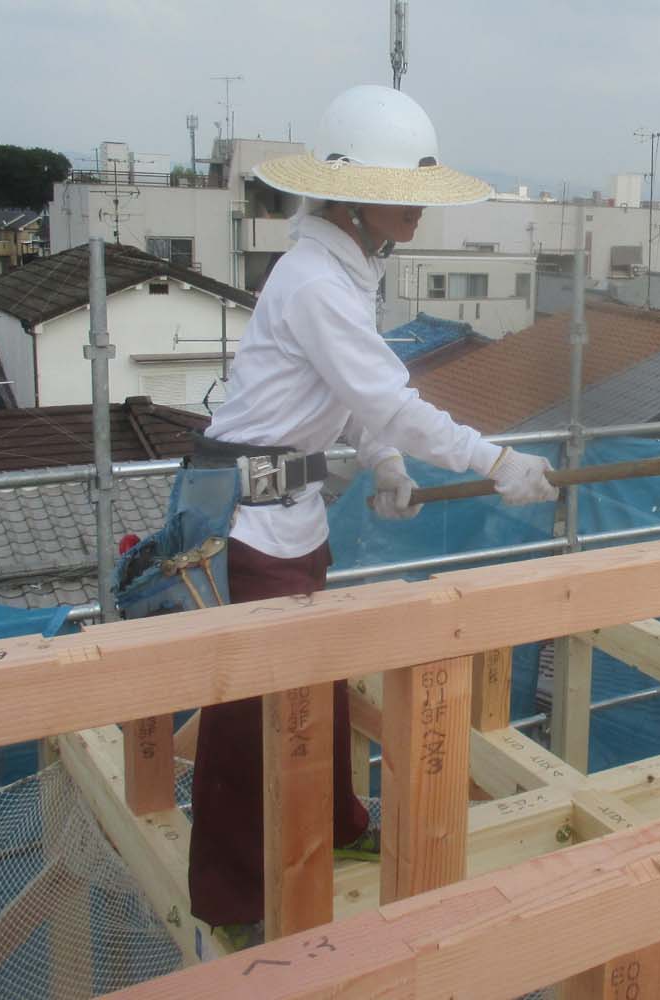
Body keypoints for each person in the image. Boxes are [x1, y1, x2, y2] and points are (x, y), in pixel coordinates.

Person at [187, 84, 558, 943]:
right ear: (351, 197)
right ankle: (237, 900)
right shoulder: (317, 280)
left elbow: (351, 398)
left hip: (292, 513)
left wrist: (385, 464)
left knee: (316, 682)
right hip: (246, 524)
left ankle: (341, 829)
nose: (416, 212)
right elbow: (386, 397)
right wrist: (493, 461)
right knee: (249, 719)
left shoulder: (344, 271)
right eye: (401, 195)